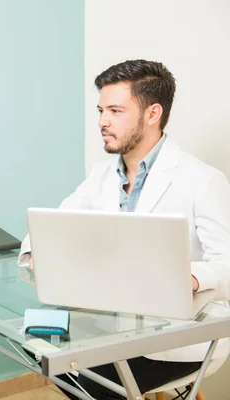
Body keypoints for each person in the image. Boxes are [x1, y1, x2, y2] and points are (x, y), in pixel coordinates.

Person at [19, 59, 230, 399]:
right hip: (109, 327)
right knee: (36, 347)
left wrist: (188, 277)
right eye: (101, 110)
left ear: (152, 113)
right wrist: (36, 251)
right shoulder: (101, 175)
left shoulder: (203, 180)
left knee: (92, 383)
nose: (103, 121)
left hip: (176, 339)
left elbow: (227, 265)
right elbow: (53, 223)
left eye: (115, 111)